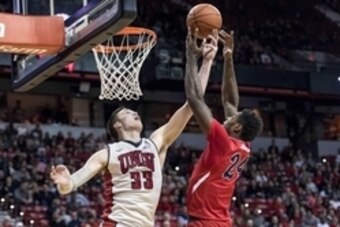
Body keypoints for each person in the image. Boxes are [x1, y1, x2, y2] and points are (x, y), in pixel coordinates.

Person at [50, 30, 219, 227]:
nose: (134, 113)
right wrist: (64, 182)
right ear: (117, 124)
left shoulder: (156, 142)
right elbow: (72, 183)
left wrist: (207, 62)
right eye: (127, 113)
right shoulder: (107, 154)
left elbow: (193, 105)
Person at [185, 29, 263, 227]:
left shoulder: (223, 142)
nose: (228, 115)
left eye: (233, 117)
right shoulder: (242, 146)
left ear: (236, 127)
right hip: (219, 220)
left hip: (206, 222)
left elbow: (194, 97)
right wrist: (228, 57)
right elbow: (229, 101)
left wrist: (191, 57)